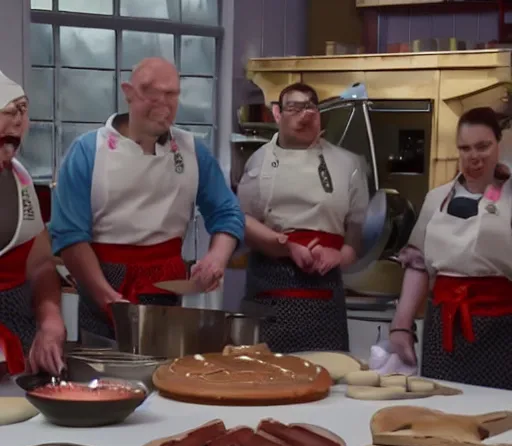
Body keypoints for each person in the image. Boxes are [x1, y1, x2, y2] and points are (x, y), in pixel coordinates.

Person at [50, 58, 244, 339]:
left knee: (165, 369)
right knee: (104, 375)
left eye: (171, 94)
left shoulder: (192, 151)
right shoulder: (89, 151)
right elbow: (70, 238)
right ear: (128, 92)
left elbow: (228, 213)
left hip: (167, 290)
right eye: (151, 93)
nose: (163, 103)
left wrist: (216, 258)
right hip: (102, 285)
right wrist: (107, 297)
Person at [237, 83, 369, 353]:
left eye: (310, 107)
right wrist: (285, 245)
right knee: (265, 376)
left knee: (327, 376)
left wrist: (338, 256)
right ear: (278, 114)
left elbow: (355, 234)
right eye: (294, 108)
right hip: (269, 290)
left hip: (325, 294)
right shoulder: (258, 162)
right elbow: (242, 223)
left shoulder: (349, 164)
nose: (304, 115)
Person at [389, 106, 512, 390]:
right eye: (465, 148)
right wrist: (401, 326)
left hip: (502, 329)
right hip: (443, 328)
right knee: (440, 412)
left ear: (499, 144)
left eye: (483, 146)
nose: (474, 157)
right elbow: (418, 265)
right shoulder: (437, 198)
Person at [0, 71, 66, 376]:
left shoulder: (20, 178)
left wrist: (50, 319)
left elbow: (40, 264)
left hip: (19, 351)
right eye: (10, 110)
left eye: (23, 110)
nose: (19, 121)